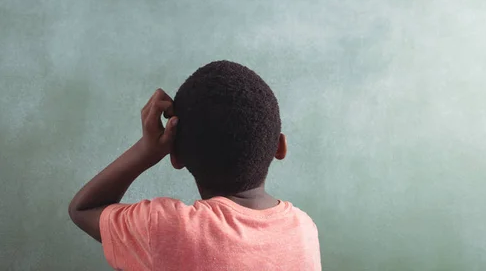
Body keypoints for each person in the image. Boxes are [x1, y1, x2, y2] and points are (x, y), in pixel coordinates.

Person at [69, 60, 321, 270]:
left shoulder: (165, 229)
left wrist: (146, 151)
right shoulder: (304, 230)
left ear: (175, 157)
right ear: (280, 147)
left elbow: (83, 209)